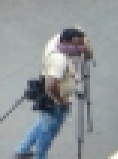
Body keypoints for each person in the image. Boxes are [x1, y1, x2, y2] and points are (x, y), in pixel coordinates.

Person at [15, 28, 92, 159]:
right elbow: (51, 84)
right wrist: (61, 100)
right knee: (48, 132)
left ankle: (22, 150)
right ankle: (40, 156)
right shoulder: (59, 60)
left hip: (51, 97)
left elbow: (87, 54)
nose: (79, 48)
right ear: (67, 43)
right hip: (56, 102)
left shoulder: (59, 42)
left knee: (43, 124)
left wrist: (85, 47)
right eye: (76, 45)